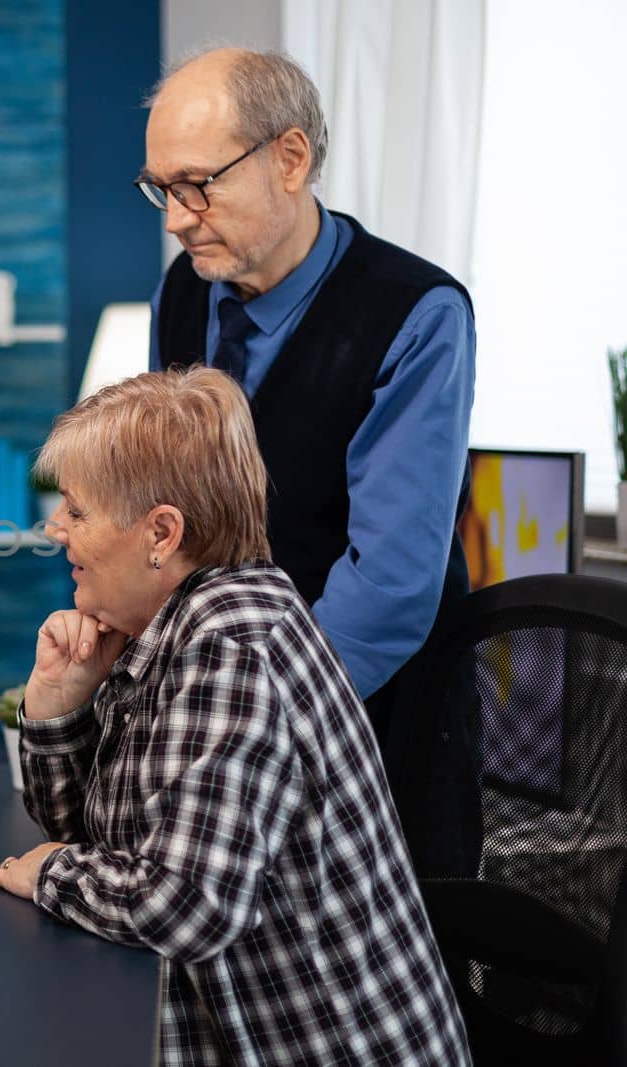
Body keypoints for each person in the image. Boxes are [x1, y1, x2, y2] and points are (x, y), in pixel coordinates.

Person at [0, 368, 469, 1065]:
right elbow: (95, 835)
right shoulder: (174, 624)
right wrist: (60, 703)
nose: (56, 528)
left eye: (78, 510)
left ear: (161, 531)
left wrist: (52, 873)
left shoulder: (232, 650)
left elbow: (185, 905)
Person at [139, 48, 475, 766]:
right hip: (216, 725)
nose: (175, 219)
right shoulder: (183, 292)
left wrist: (248, 722)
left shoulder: (414, 313)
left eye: (196, 185)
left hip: (364, 735)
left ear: (290, 159)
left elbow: (389, 583)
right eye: (161, 188)